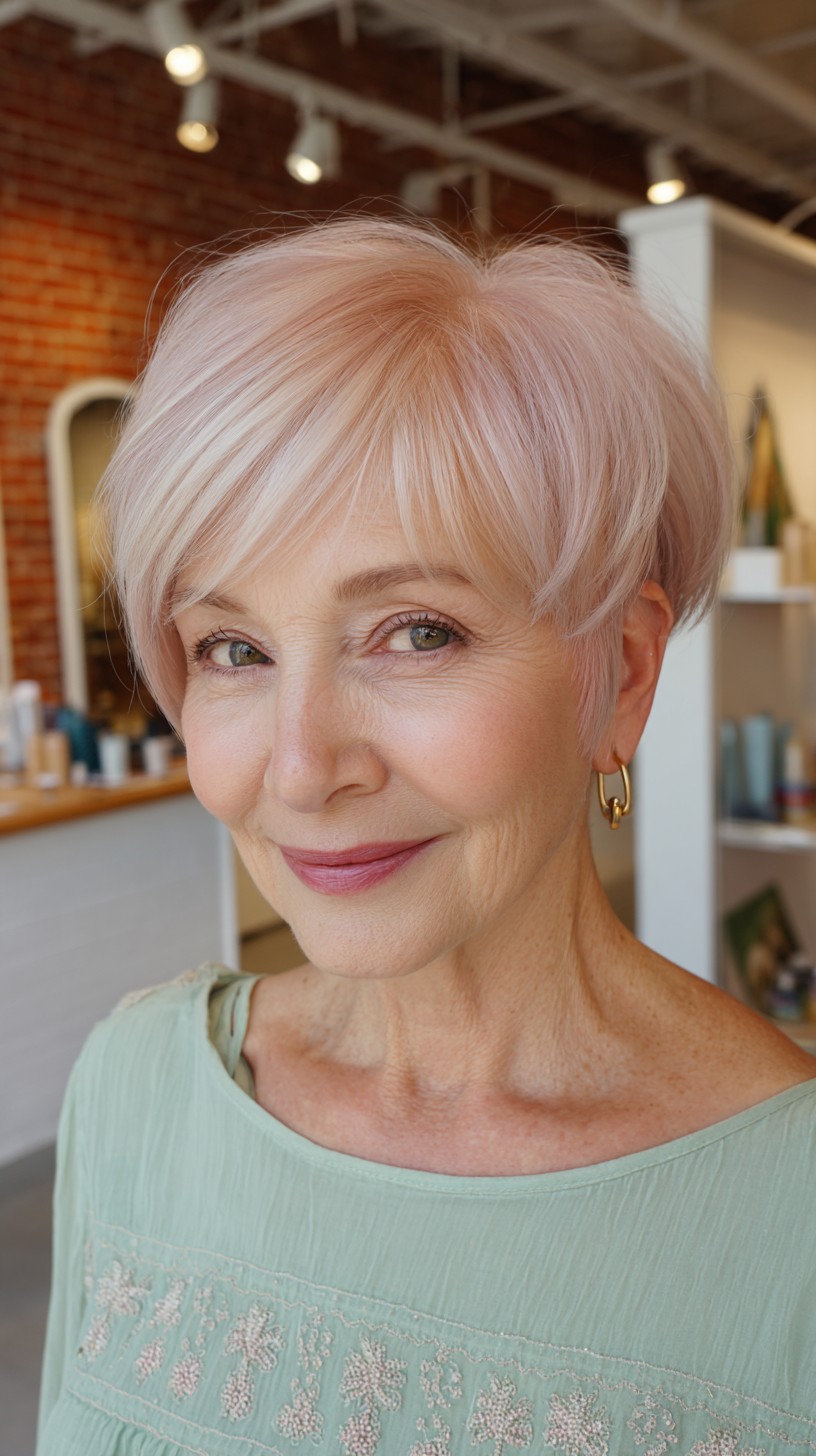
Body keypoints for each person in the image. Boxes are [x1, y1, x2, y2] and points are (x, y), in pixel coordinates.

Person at [37, 218, 816, 1456]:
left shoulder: (793, 1228)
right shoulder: (134, 1093)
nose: (301, 766)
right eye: (234, 648)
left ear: (617, 675)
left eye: (415, 632)